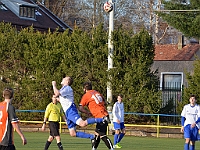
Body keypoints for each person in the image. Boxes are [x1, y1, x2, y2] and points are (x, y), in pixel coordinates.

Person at [52, 76, 106, 143]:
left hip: (71, 110)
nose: (63, 78)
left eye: (65, 78)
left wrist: (54, 85)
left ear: (67, 81)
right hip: (68, 112)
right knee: (72, 133)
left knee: (82, 124)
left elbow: (56, 93)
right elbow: (62, 99)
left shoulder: (67, 88)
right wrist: (57, 99)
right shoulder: (63, 89)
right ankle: (92, 137)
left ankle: (102, 119)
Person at [79, 82, 114, 150]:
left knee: (102, 135)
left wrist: (87, 112)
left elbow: (80, 108)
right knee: (97, 134)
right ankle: (94, 148)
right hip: (104, 114)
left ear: (84, 89)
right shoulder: (97, 92)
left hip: (100, 116)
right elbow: (104, 101)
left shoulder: (86, 95)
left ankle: (112, 149)